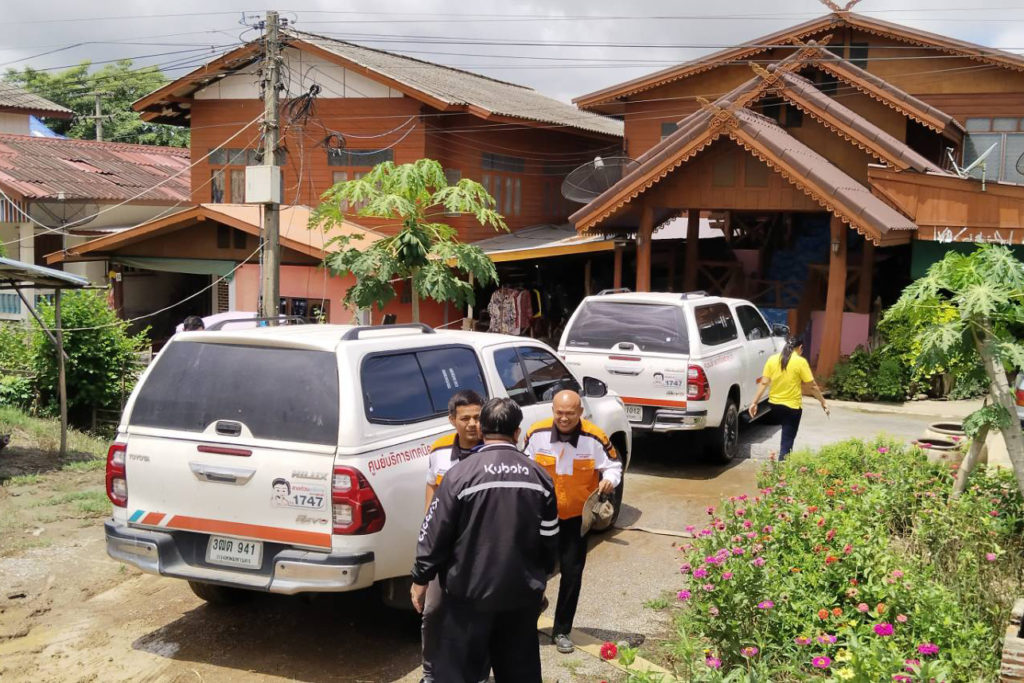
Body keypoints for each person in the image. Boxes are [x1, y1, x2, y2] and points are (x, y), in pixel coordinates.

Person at [411, 398, 558, 683]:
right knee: (519, 673)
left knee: (459, 675)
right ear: (517, 433)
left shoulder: (459, 475)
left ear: (483, 430)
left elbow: (434, 533)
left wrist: (421, 578)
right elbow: (550, 540)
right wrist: (541, 579)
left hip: (467, 597)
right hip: (520, 596)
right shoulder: (540, 476)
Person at [524, 389, 622, 654]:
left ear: (580, 412)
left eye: (570, 413)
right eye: (559, 413)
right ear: (552, 411)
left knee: (572, 574)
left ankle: (562, 631)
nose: (564, 418)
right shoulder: (536, 434)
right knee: (535, 572)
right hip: (543, 517)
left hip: (576, 519)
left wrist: (609, 480)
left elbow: (614, 466)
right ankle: (527, 621)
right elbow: (524, 467)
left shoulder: (594, 437)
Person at [420, 390, 484, 683]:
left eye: (477, 417)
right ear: (452, 420)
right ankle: (430, 674)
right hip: (445, 548)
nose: (472, 424)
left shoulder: (494, 450)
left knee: (480, 617)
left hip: (482, 551)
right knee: (433, 611)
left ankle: (478, 675)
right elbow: (432, 492)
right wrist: (426, 537)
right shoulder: (439, 451)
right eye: (465, 418)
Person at [749, 335, 830, 459]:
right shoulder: (800, 361)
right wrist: (823, 402)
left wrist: (754, 402)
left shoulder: (772, 359)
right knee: (787, 441)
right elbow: (812, 386)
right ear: (800, 348)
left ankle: (781, 467)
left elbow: (764, 382)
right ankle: (782, 471)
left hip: (774, 406)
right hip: (792, 407)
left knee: (785, 435)